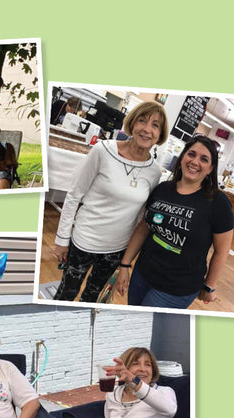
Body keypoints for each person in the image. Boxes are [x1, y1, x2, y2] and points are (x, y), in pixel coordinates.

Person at [51, 101, 168, 303]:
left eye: (155, 125)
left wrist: (126, 262)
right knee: (65, 294)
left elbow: (141, 216)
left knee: (92, 298)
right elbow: (74, 194)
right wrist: (62, 239)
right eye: (142, 121)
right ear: (132, 123)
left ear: (160, 134)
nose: (147, 130)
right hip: (84, 241)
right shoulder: (103, 151)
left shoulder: (155, 171)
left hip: (116, 249)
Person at [115, 135, 234, 308]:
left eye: (204, 159)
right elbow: (143, 229)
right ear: (182, 157)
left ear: (210, 169)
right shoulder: (162, 189)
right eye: (191, 154)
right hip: (142, 274)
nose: (195, 161)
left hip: (177, 288)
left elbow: (222, 251)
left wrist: (210, 285)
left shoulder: (218, 202)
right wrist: (124, 265)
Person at [99, 347, 177, 418]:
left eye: (148, 364)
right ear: (123, 369)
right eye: (136, 363)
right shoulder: (112, 395)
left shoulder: (163, 392)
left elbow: (170, 411)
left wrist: (134, 381)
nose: (143, 369)